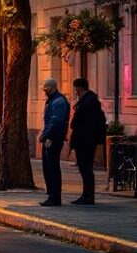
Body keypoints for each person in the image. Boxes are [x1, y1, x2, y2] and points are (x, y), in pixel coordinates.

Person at [68, 77, 106, 205]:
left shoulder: (89, 102)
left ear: (80, 88)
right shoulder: (88, 101)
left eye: (76, 88)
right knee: (84, 168)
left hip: (86, 140)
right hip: (85, 139)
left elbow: (85, 122)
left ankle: (88, 196)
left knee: (86, 168)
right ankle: (86, 195)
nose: (75, 91)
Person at [39, 78, 70, 206]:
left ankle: (55, 197)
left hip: (53, 139)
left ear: (50, 88)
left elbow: (56, 122)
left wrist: (47, 136)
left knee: (52, 168)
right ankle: (52, 195)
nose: (44, 92)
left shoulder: (58, 102)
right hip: (50, 137)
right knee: (49, 167)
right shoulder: (53, 101)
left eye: (45, 89)